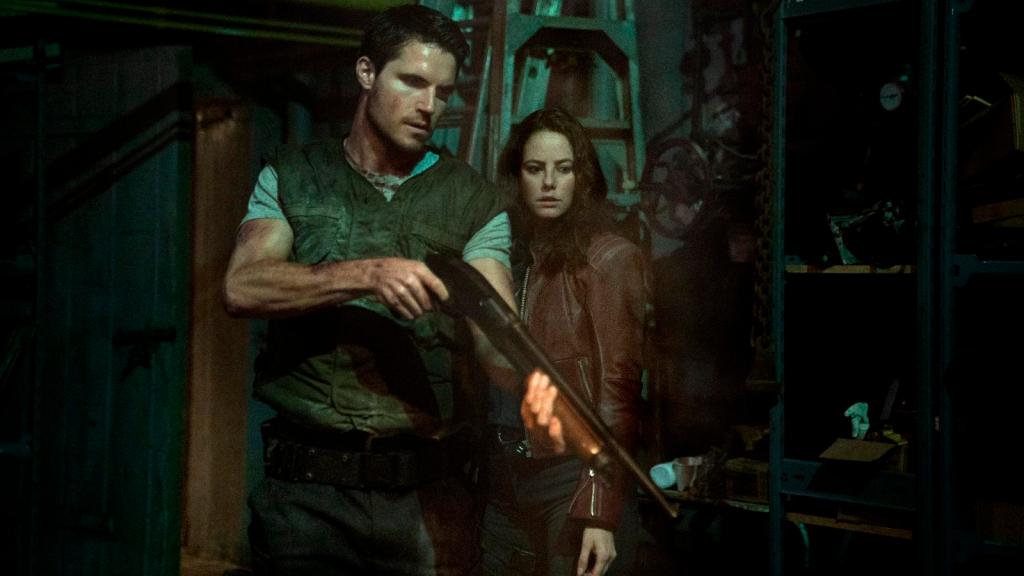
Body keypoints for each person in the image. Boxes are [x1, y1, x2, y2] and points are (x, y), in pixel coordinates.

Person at [221, 5, 518, 574]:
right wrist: (367, 273)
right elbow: (242, 285)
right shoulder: (293, 174)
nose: (429, 106)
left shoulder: (474, 201)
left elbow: (498, 342)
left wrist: (534, 376)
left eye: (443, 92)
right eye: (412, 82)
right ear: (366, 73)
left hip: (427, 504)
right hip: (307, 499)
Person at [481, 108, 650, 576]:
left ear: (582, 177)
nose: (549, 183)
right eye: (535, 169)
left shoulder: (609, 259)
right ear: (517, 177)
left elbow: (618, 394)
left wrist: (599, 511)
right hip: (506, 481)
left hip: (572, 479)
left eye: (564, 169)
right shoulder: (510, 260)